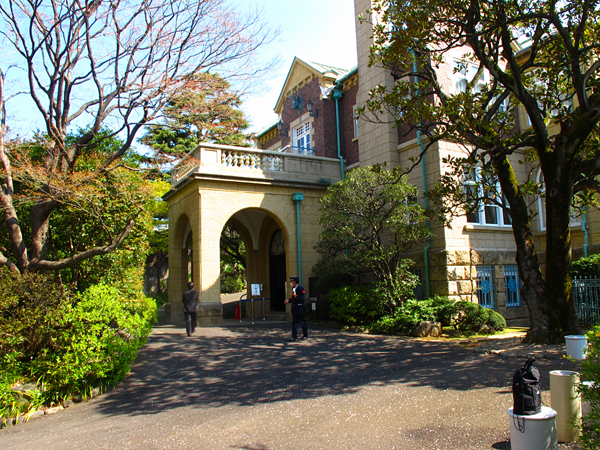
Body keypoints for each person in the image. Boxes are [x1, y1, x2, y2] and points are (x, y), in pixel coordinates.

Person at [284, 277, 308, 341]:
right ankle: (294, 336)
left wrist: (296, 296)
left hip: (300, 309)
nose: (291, 283)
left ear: (295, 282)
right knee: (294, 323)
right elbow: (292, 298)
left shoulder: (301, 289)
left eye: (292, 281)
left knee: (303, 322)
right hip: (295, 309)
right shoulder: (293, 289)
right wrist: (288, 301)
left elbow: (302, 298)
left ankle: (305, 334)